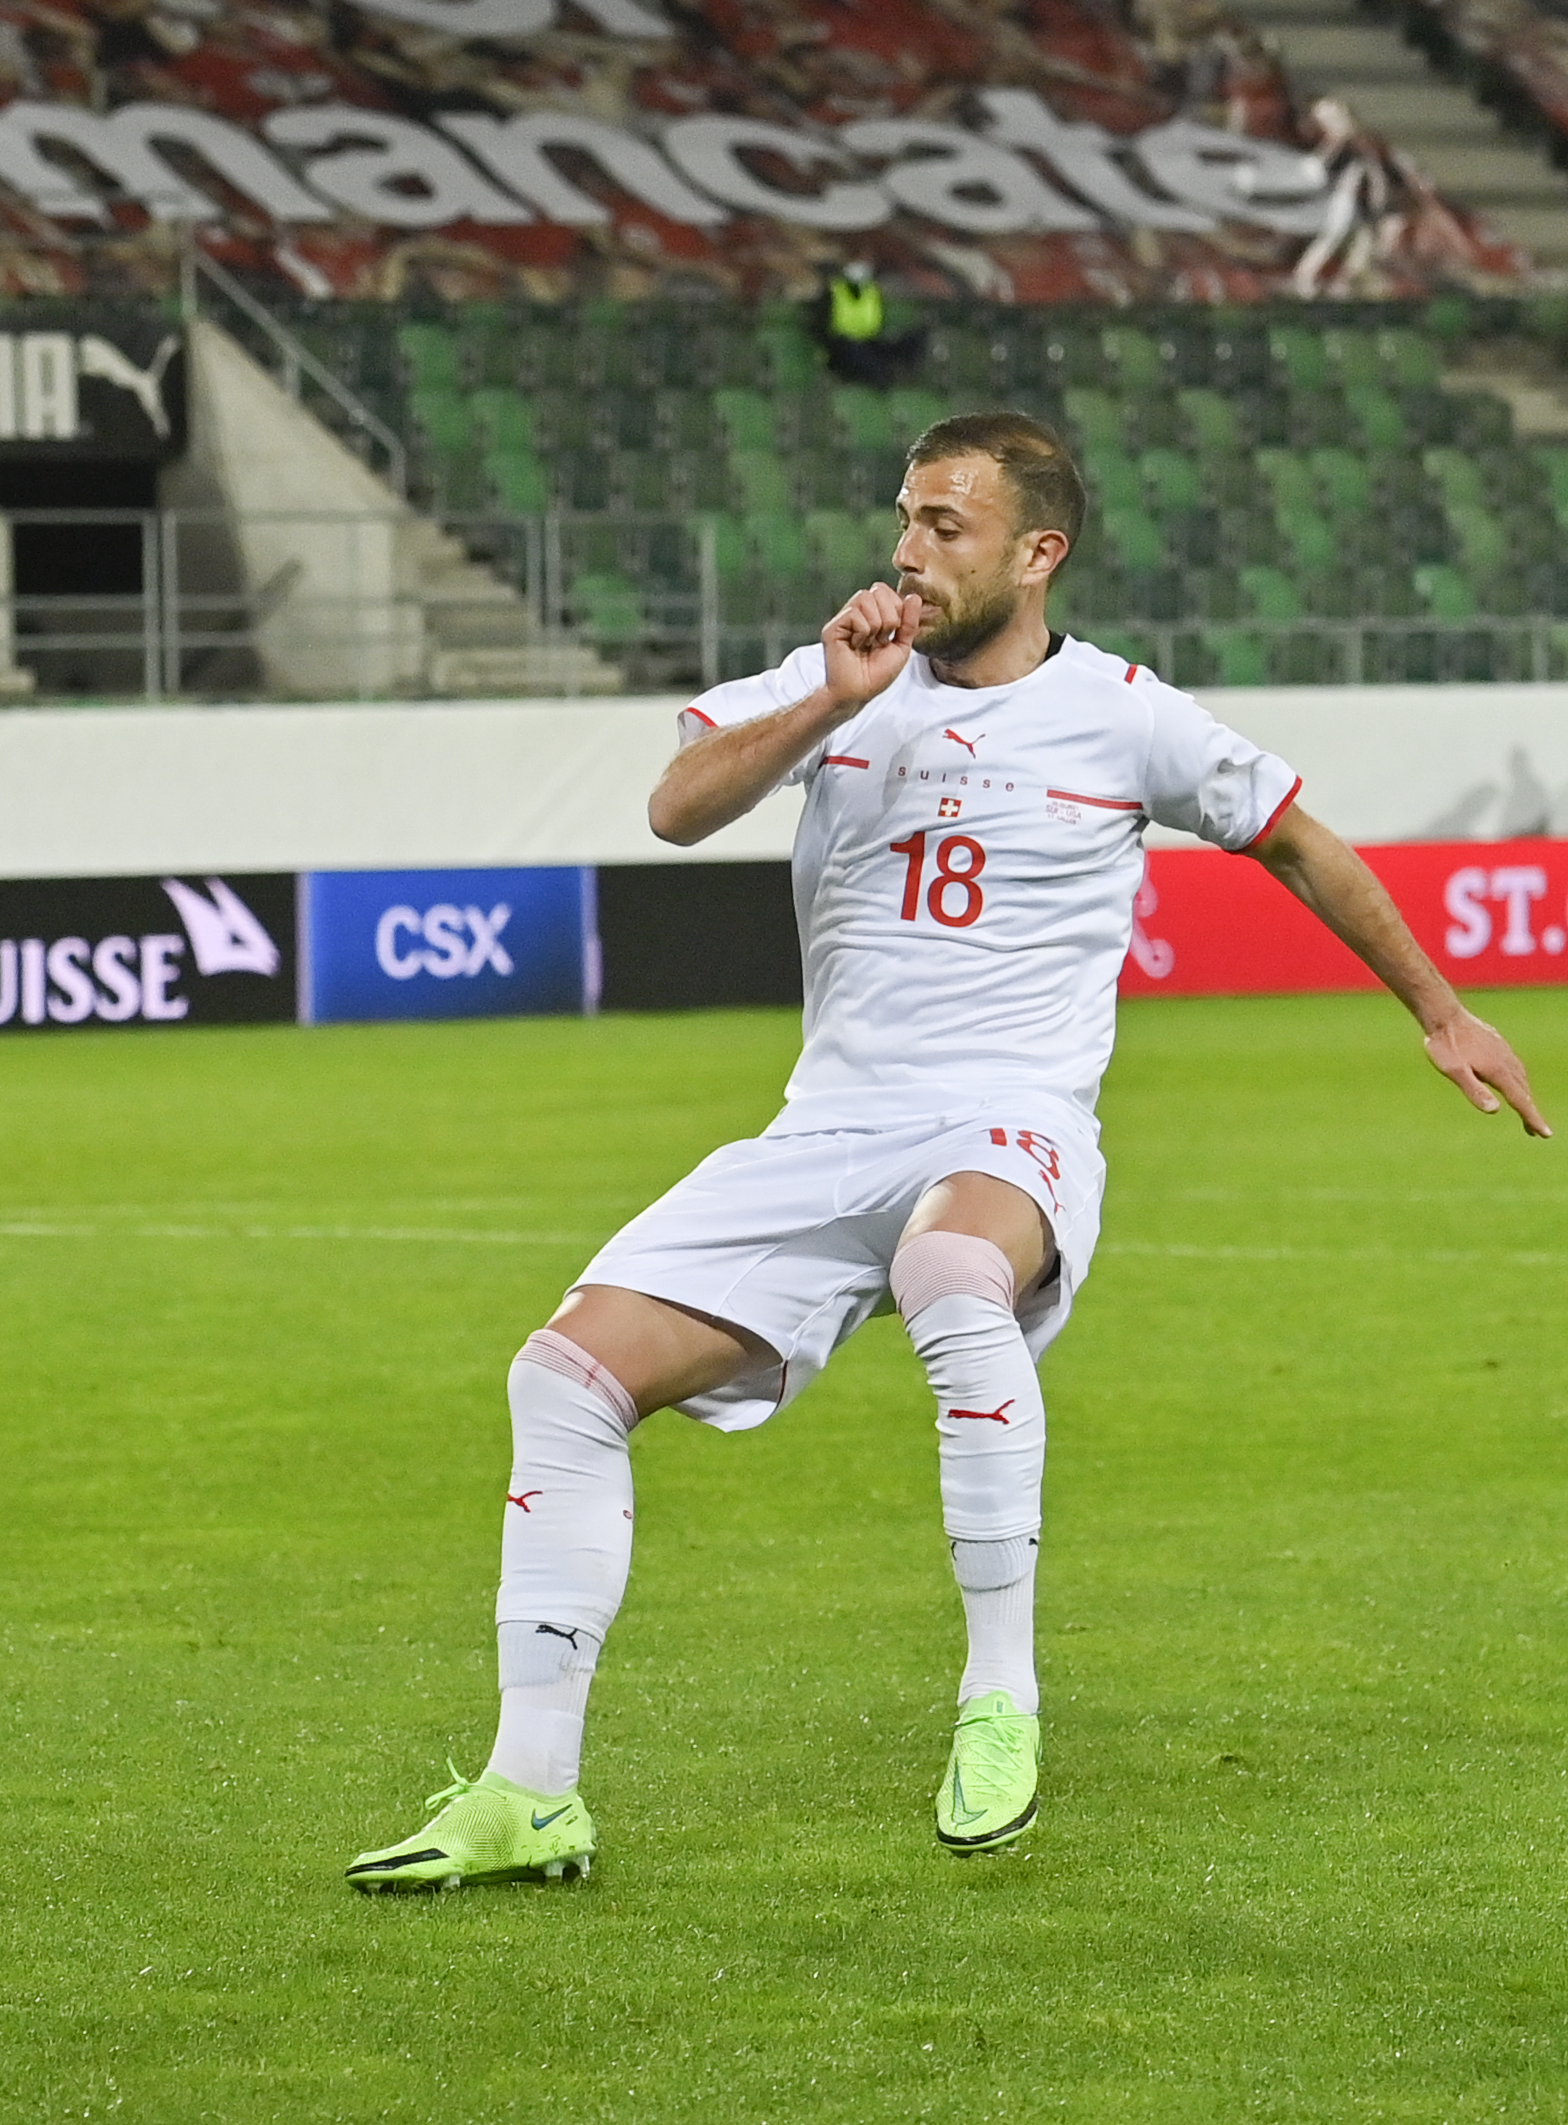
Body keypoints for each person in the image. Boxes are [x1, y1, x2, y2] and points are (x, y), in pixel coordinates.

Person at [346, 412, 1546, 1892]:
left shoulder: (1125, 714)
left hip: (1007, 1116)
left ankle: (997, 1699)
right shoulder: (834, 676)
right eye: (903, 517)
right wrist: (828, 705)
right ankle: (530, 1792)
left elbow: (1297, 839)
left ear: (1036, 553)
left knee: (947, 1268)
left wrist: (1438, 1013)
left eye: (944, 526)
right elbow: (671, 810)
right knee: (563, 1372)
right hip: (824, 1124)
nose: (907, 552)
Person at [814, 257, 925, 386]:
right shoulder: (832, 292)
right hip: (840, 348)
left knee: (913, 338)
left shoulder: (871, 292)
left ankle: (906, 373)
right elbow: (820, 328)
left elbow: (877, 321)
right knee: (855, 350)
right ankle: (879, 379)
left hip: (868, 341)